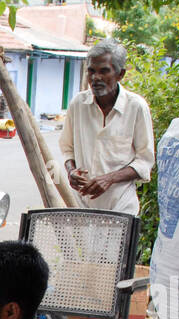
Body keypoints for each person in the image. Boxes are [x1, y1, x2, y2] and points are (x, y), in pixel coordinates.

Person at [58, 39, 155, 216]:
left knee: (116, 245)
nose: (96, 78)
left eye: (104, 71)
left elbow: (145, 160)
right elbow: (67, 149)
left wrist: (109, 179)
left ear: (120, 74)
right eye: (91, 71)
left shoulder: (136, 107)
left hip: (120, 204)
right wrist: (71, 171)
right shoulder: (78, 104)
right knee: (80, 245)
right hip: (81, 202)